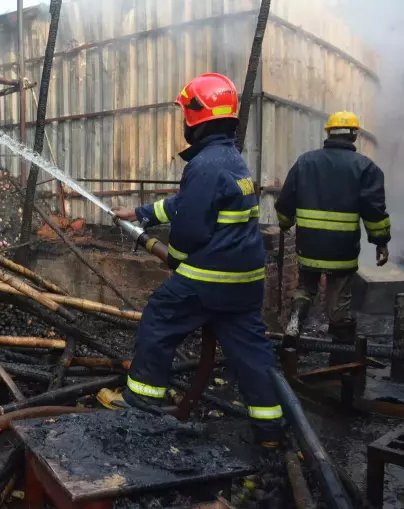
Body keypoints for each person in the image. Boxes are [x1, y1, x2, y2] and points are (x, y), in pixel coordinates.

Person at [111, 73, 284, 448]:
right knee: (251, 351)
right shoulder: (230, 160)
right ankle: (270, 429)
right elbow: (186, 204)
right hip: (245, 281)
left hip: (211, 279)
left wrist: (174, 257)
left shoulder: (204, 165)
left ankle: (141, 403)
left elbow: (189, 229)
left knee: (160, 317)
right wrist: (140, 213)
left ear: (195, 117)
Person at [275, 111, 390, 363]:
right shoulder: (366, 167)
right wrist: (380, 241)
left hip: (309, 245)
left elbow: (285, 202)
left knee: (305, 287)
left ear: (328, 133)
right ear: (354, 136)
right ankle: (340, 360)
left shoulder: (305, 162)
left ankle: (294, 322)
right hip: (342, 249)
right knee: (339, 303)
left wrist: (285, 223)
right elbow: (374, 211)